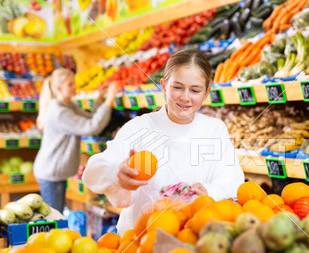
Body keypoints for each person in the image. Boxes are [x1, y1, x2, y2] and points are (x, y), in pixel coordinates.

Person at [83, 49, 244, 234]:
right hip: (139, 240)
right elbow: (93, 171)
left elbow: (232, 183)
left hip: (194, 237)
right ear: (163, 85)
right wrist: (117, 173)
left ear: (207, 92)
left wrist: (209, 192)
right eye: (177, 87)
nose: (185, 97)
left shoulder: (215, 130)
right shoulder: (139, 128)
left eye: (195, 90)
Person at [34, 68, 120, 212]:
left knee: (56, 214)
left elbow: (88, 118)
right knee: (54, 217)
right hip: (50, 172)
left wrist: (100, 98)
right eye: (70, 84)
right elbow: (90, 127)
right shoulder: (59, 112)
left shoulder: (68, 105)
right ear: (58, 88)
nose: (75, 87)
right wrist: (110, 100)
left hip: (54, 171)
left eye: (74, 83)